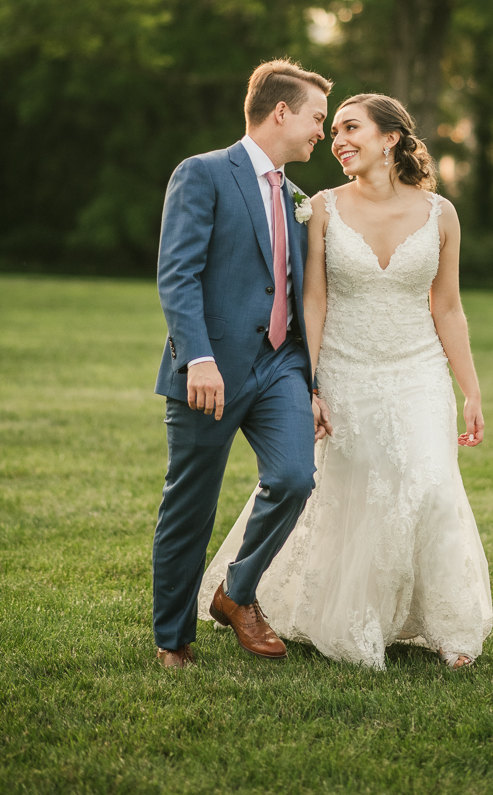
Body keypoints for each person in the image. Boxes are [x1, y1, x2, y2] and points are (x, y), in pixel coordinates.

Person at [199, 93, 493, 670]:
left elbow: (449, 308)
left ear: (391, 138)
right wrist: (308, 383)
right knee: (358, 490)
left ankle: (446, 624)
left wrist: (472, 390)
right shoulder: (322, 207)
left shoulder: (441, 214)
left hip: (418, 370)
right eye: (332, 130)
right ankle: (351, 619)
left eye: (351, 127)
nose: (337, 140)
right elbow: (314, 298)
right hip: (345, 366)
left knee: (430, 486)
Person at [151, 58, 332, 668]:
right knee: (191, 506)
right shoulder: (203, 174)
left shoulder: (298, 196)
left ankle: (238, 591)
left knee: (293, 478)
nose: (321, 132)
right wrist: (196, 357)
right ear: (281, 111)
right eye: (316, 118)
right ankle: (173, 639)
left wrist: (310, 381)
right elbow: (178, 273)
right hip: (212, 370)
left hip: (282, 365)